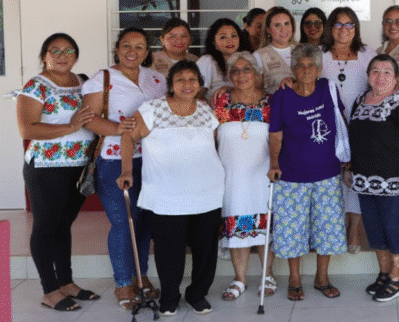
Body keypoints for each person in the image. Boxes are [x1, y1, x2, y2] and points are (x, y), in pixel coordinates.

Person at [117, 60, 224, 316]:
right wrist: (127, 170)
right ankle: (170, 296)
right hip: (166, 194)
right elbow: (128, 136)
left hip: (207, 192)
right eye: (181, 79)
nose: (187, 84)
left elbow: (213, 145)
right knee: (169, 250)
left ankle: (197, 294)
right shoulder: (153, 108)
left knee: (205, 250)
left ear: (200, 84)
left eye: (192, 79)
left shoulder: (206, 110)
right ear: (171, 85)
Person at [82, 27, 165, 310]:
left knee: (143, 223)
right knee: (122, 222)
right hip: (115, 160)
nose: (133, 51)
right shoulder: (102, 79)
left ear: (147, 51)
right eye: (127, 45)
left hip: (151, 160)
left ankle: (140, 276)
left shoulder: (156, 79)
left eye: (140, 46)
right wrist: (119, 128)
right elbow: (89, 119)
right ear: (117, 48)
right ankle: (122, 283)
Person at [17, 33, 98, 311]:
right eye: (55, 50)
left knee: (64, 224)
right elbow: (27, 129)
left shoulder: (83, 83)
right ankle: (49, 290)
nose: (62, 55)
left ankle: (67, 282)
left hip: (78, 166)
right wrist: (71, 127)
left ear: (75, 55)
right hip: (46, 168)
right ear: (44, 56)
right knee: (46, 227)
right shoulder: (36, 86)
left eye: (69, 50)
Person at [268, 44, 347, 301]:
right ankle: (294, 278)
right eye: (300, 66)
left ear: (319, 69)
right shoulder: (282, 96)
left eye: (311, 65)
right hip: (291, 175)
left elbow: (340, 121)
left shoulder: (328, 89)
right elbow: (275, 133)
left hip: (327, 172)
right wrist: (273, 163)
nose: (305, 70)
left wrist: (348, 155)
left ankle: (322, 277)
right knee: (292, 229)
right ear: (292, 69)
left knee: (327, 227)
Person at [348, 54, 399, 302]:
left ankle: (396, 278)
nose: (380, 77)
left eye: (387, 72)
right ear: (368, 75)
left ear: (396, 76)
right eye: (375, 72)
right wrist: (350, 168)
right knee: (374, 229)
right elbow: (355, 138)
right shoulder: (361, 100)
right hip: (365, 179)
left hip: (393, 181)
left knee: (394, 228)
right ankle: (383, 273)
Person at [213, 53, 275, 300]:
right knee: (235, 223)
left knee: (265, 225)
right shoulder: (221, 101)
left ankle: (267, 275)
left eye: (247, 69)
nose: (241, 75)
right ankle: (239, 279)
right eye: (235, 71)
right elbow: (211, 135)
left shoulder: (271, 102)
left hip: (263, 173)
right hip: (231, 174)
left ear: (258, 75)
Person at [320, 6, 376, 254]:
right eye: (338, 25)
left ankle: (353, 232)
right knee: (331, 177)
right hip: (326, 124)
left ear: (356, 28)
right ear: (330, 28)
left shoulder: (367, 54)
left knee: (355, 175)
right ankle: (330, 229)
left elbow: (380, 82)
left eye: (349, 25)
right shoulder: (320, 54)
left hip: (360, 123)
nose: (344, 30)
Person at [197, 18, 247, 101]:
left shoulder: (246, 59)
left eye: (234, 36)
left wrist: (230, 89)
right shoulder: (207, 61)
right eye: (223, 37)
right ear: (213, 42)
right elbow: (197, 96)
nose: (230, 41)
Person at [255, 6, 298, 94]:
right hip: (275, 106)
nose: (283, 29)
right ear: (268, 30)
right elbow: (255, 91)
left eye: (287, 24)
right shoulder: (259, 55)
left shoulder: (304, 50)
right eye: (277, 25)